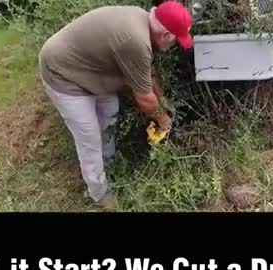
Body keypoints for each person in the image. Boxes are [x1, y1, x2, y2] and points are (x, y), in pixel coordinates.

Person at [37, 1, 194, 208]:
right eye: (176, 40)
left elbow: (147, 72)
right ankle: (100, 194)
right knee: (89, 137)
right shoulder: (136, 40)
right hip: (62, 72)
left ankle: (109, 167)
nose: (175, 45)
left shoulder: (143, 22)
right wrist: (164, 120)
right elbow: (145, 98)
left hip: (93, 70)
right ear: (165, 35)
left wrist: (163, 100)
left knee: (109, 114)